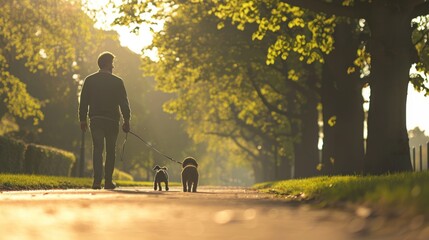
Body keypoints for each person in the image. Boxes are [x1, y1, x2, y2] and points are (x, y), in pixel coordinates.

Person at [78, 51, 131, 189]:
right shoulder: (118, 82)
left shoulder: (90, 80)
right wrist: (126, 119)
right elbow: (123, 103)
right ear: (107, 64)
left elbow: (83, 101)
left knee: (97, 149)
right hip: (112, 120)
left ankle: (96, 181)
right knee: (110, 151)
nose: (113, 67)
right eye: (112, 64)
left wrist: (82, 119)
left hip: (96, 120)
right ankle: (108, 181)